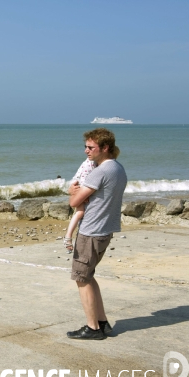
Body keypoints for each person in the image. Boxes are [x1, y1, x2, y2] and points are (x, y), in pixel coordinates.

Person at [67, 128, 127, 340]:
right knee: (88, 275)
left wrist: (71, 191)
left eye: (91, 147)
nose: (86, 151)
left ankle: (93, 328)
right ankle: (102, 323)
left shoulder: (100, 171)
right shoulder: (118, 169)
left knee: (81, 278)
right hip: (105, 230)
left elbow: (74, 202)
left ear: (105, 148)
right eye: (85, 146)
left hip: (91, 231)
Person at [63, 159, 97, 253]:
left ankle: (68, 237)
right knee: (80, 213)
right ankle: (68, 237)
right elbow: (84, 177)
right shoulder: (90, 163)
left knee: (79, 213)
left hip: (78, 185)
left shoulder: (91, 162)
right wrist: (83, 194)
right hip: (79, 186)